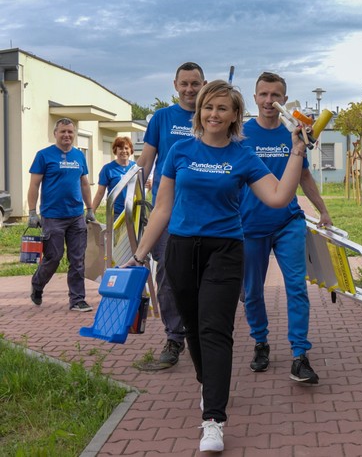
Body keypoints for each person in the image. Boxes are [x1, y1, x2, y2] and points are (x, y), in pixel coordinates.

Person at [124, 80, 307, 452]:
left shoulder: (243, 155)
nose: (213, 114)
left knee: (215, 330)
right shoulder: (179, 151)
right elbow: (162, 208)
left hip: (225, 250)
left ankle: (213, 419)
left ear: (235, 116)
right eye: (209, 107)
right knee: (192, 327)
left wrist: (297, 152)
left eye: (223, 108)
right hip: (180, 250)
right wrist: (140, 254)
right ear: (200, 111)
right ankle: (209, 388)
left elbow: (278, 197)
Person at [240, 72, 333, 384]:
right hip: (250, 225)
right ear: (254, 98)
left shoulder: (292, 132)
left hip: (288, 223)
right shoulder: (240, 134)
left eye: (275, 95)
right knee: (252, 290)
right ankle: (261, 342)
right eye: (263, 94)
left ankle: (299, 355)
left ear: (284, 98)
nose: (269, 101)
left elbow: (304, 176)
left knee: (296, 287)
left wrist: (322, 209)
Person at [135, 62, 206, 369]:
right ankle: (174, 337)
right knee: (167, 276)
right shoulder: (162, 118)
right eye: (185, 83)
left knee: (204, 275)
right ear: (175, 85)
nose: (190, 89)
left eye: (195, 83)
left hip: (203, 209)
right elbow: (146, 160)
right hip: (166, 212)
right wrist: (135, 199)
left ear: (203, 84)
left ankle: (202, 333)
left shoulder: (211, 115)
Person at [27, 117, 96, 312]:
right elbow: (34, 184)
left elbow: (84, 184)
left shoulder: (79, 156)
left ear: (74, 135)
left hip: (76, 216)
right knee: (53, 257)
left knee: (77, 259)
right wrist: (32, 212)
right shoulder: (44, 155)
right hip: (52, 217)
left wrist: (89, 209)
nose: (67, 135)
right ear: (55, 134)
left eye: (70, 132)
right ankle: (38, 284)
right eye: (63, 131)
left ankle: (77, 299)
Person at [91, 136, 135, 221]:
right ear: (115, 150)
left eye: (126, 148)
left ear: (131, 150)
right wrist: (92, 211)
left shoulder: (135, 167)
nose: (124, 151)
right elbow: (100, 192)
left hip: (134, 211)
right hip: (115, 213)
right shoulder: (108, 169)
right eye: (120, 148)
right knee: (114, 235)